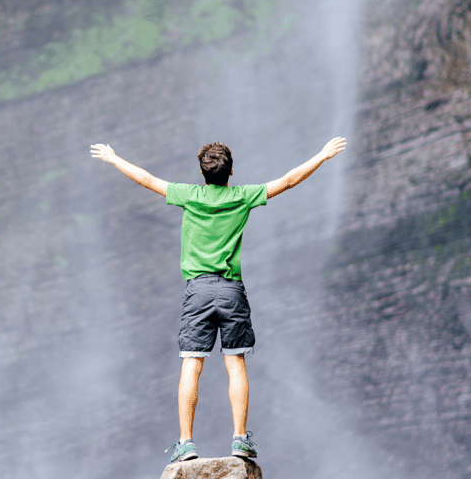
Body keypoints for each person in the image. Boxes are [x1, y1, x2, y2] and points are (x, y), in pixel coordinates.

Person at [90, 137, 347, 463]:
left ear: (202, 173)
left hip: (197, 291)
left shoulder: (189, 195)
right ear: (231, 173)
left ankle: (186, 442)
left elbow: (146, 179)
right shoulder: (242, 196)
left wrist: (114, 158)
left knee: (191, 365)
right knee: (235, 363)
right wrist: (322, 155)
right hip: (230, 291)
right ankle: (240, 439)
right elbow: (289, 180)